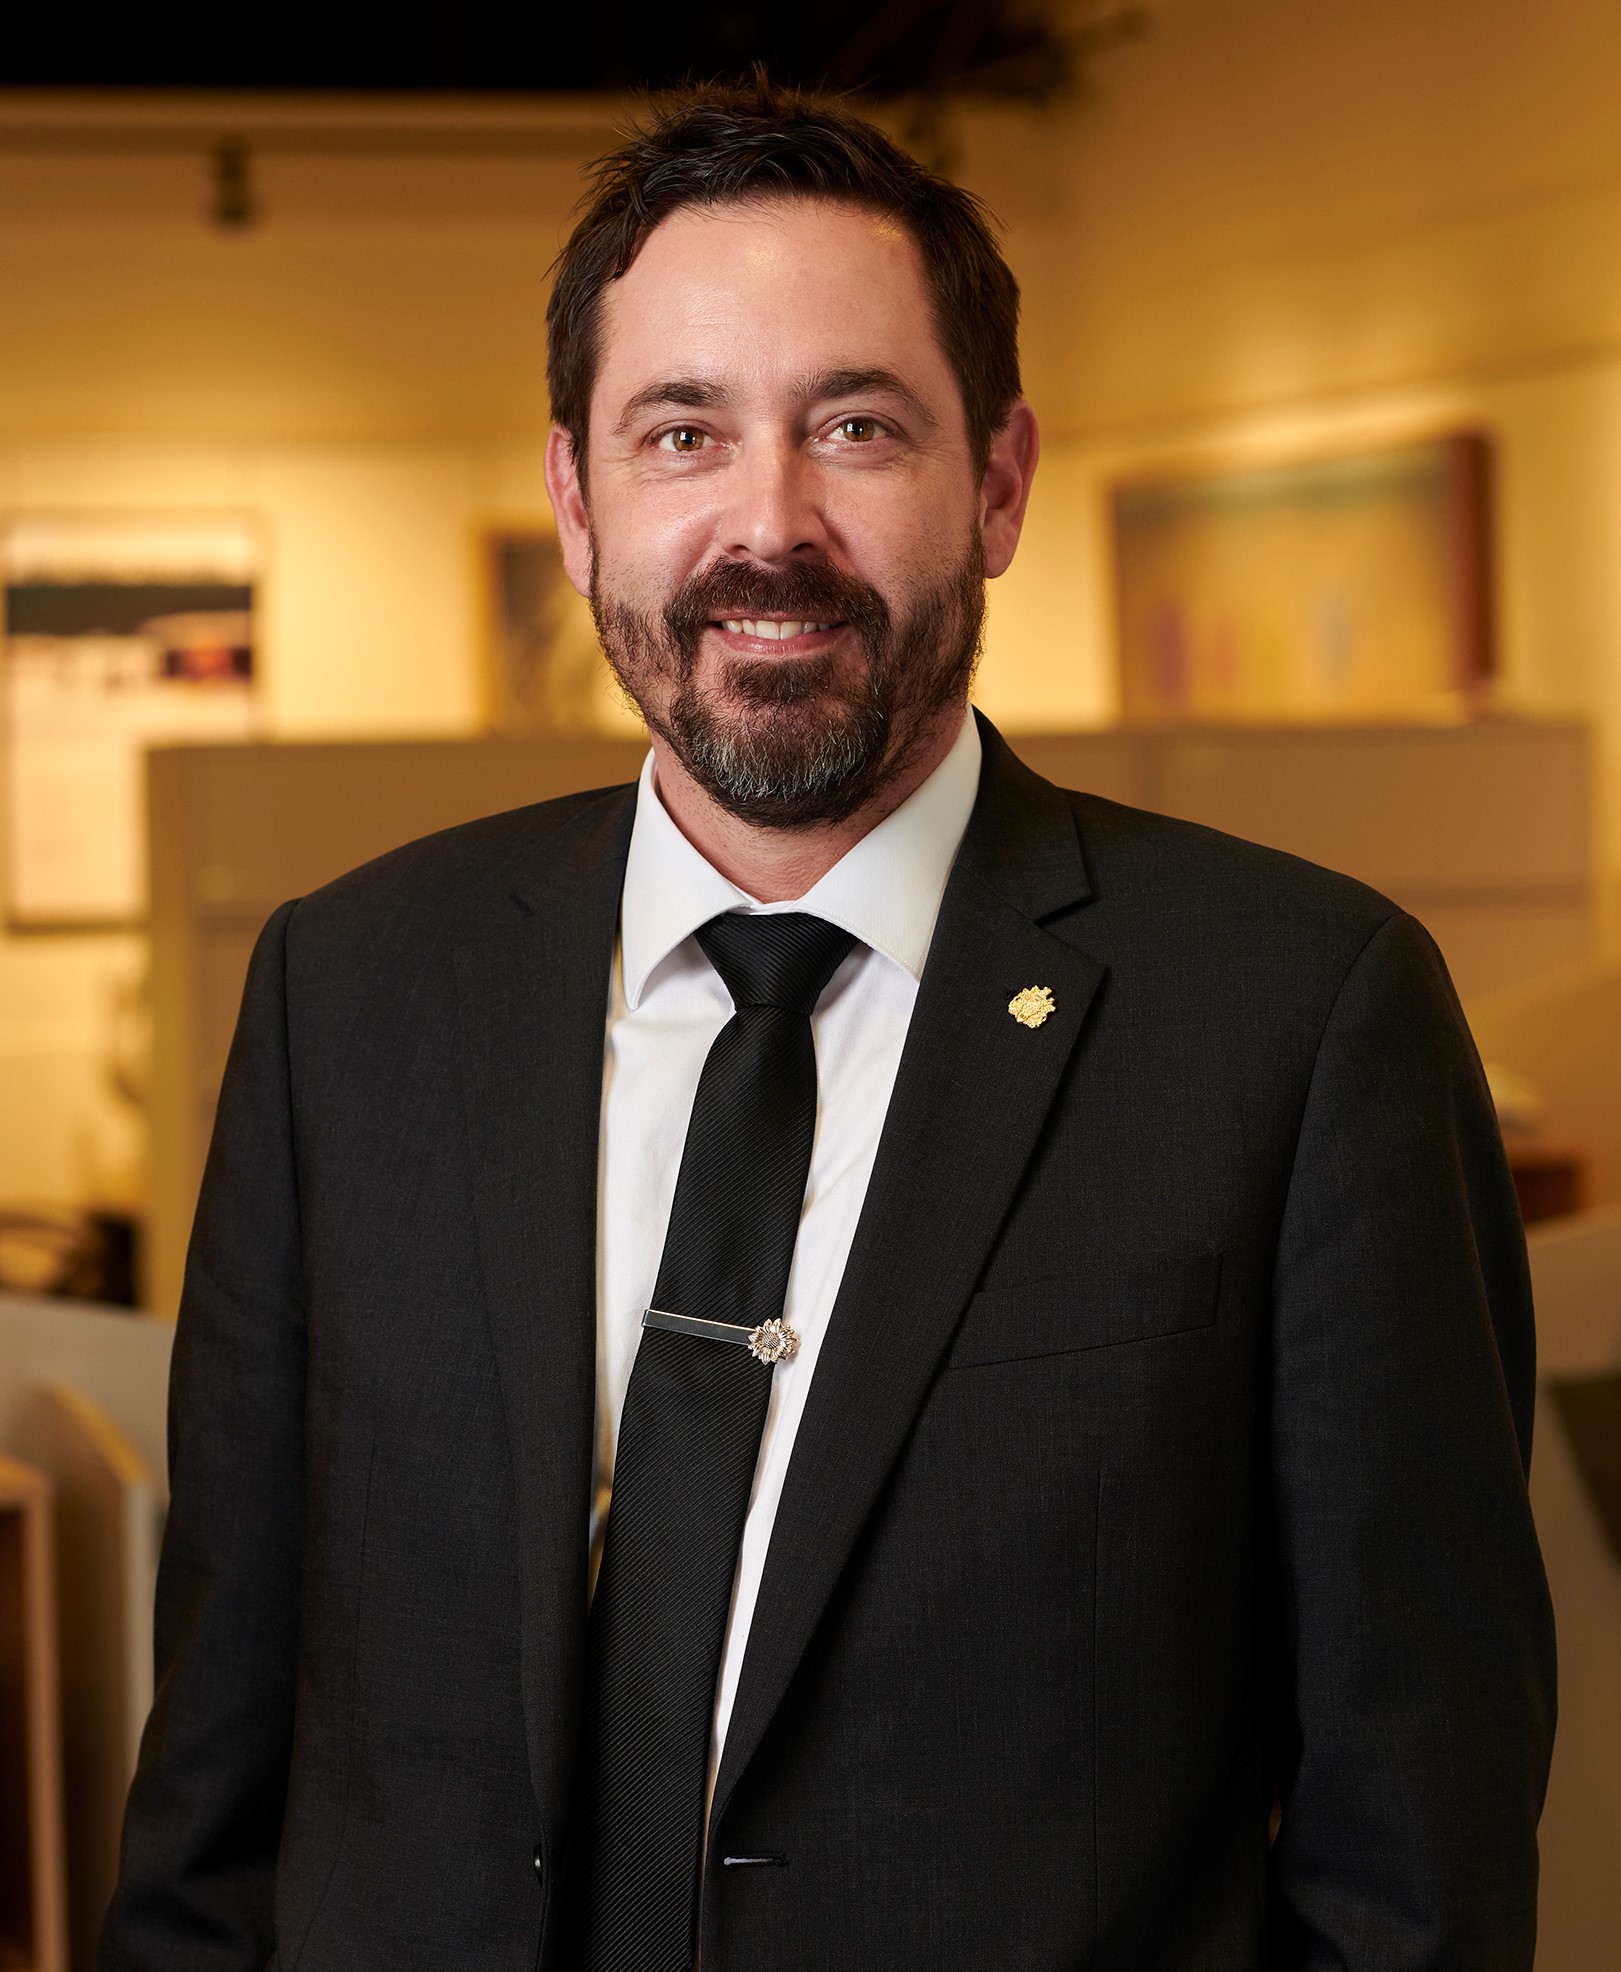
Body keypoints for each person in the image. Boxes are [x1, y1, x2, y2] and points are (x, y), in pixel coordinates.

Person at [101, 77, 1555, 1972]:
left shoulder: (1297, 1016)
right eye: (680, 431)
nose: (763, 524)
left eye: (856, 426)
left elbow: (1415, 1840)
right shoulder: (351, 991)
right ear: (574, 500)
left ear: (1000, 482)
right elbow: (218, 1776)